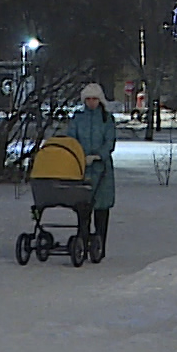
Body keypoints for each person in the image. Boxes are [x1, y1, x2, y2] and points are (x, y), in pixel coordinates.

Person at [66, 83, 117, 254]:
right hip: (82, 169)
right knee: (83, 208)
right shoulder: (78, 119)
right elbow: (71, 139)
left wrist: (98, 155)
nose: (91, 102)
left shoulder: (107, 119)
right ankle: (83, 241)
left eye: (94, 99)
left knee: (101, 209)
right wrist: (77, 155)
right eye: (88, 99)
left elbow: (110, 142)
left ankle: (99, 245)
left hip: (102, 170)